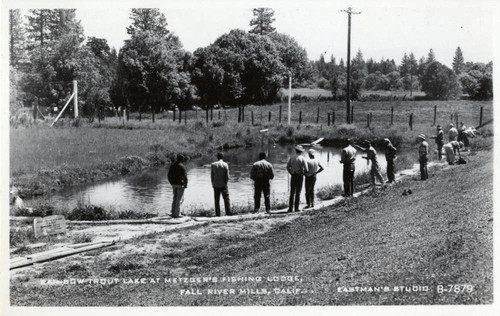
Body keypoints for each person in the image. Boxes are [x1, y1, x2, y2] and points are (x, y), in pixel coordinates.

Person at [286, 145, 308, 212]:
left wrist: (291, 173)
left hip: (293, 175)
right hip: (299, 176)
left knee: (292, 193)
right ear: (301, 151)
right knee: (298, 192)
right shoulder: (303, 158)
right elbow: (307, 169)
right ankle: (296, 208)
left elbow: (287, 167)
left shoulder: (292, 157)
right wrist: (303, 174)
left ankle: (290, 208)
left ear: (296, 150)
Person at [211, 152, 231, 216]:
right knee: (226, 199)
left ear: (217, 157)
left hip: (216, 184)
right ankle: (228, 213)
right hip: (223, 184)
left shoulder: (213, 164)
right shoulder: (225, 164)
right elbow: (227, 176)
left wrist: (213, 184)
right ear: (223, 157)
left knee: (216, 200)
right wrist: (226, 184)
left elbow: (212, 176)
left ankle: (217, 214)